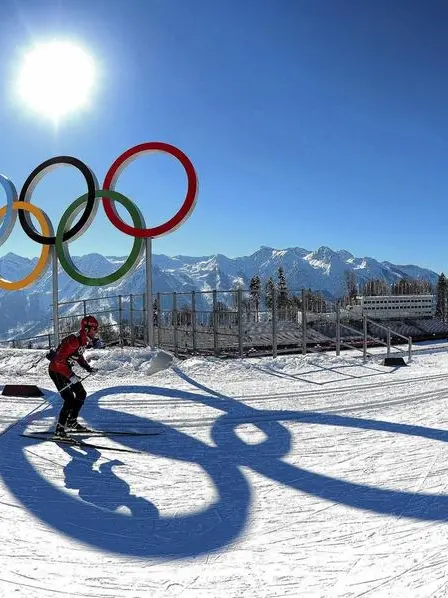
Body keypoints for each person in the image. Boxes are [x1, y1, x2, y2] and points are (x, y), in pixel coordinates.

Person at [48, 315, 99, 439]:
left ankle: (72, 422)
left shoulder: (83, 340)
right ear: (86, 329)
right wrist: (71, 376)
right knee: (69, 399)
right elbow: (58, 362)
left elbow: (78, 355)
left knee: (81, 393)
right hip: (56, 371)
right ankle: (59, 430)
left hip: (65, 370)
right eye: (94, 329)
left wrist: (88, 368)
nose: (96, 331)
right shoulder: (73, 341)